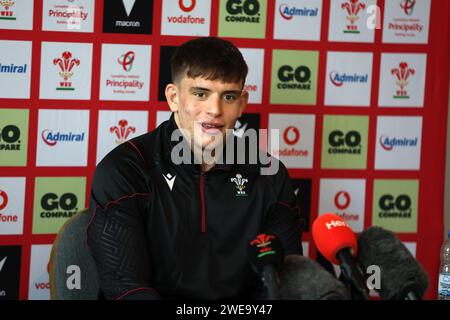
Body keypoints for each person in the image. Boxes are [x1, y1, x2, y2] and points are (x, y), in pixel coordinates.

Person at [87, 36, 303, 300]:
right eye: (201, 94)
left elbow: (283, 283)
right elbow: (125, 287)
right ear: (174, 97)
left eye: (229, 96)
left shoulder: (270, 173)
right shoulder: (125, 169)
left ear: (242, 104)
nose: (214, 110)